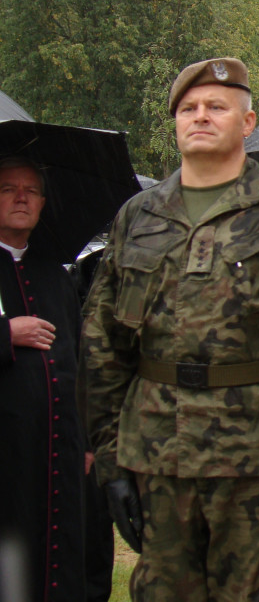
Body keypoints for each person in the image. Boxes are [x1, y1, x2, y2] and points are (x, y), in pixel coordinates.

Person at [81, 57, 259, 601]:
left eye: (216, 107)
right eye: (188, 108)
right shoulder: (139, 215)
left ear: (247, 123)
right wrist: (111, 465)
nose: (200, 117)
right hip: (158, 457)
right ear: (175, 123)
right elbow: (102, 345)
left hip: (257, 456)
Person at [0, 157, 88, 601]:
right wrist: (6, 332)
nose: (20, 198)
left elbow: (79, 359)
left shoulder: (54, 274)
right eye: (8, 189)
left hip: (57, 447)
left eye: (30, 191)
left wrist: (86, 440)